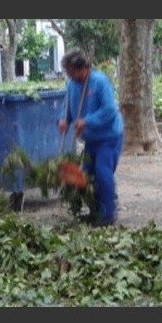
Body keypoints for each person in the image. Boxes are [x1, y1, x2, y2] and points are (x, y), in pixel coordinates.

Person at [57, 48, 124, 227]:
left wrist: (87, 121)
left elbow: (110, 110)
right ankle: (96, 211)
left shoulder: (100, 82)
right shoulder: (72, 85)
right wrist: (63, 120)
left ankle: (108, 215)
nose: (69, 76)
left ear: (83, 68)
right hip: (90, 140)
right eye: (68, 73)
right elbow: (68, 108)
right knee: (86, 176)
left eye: (71, 72)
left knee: (102, 173)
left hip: (109, 137)